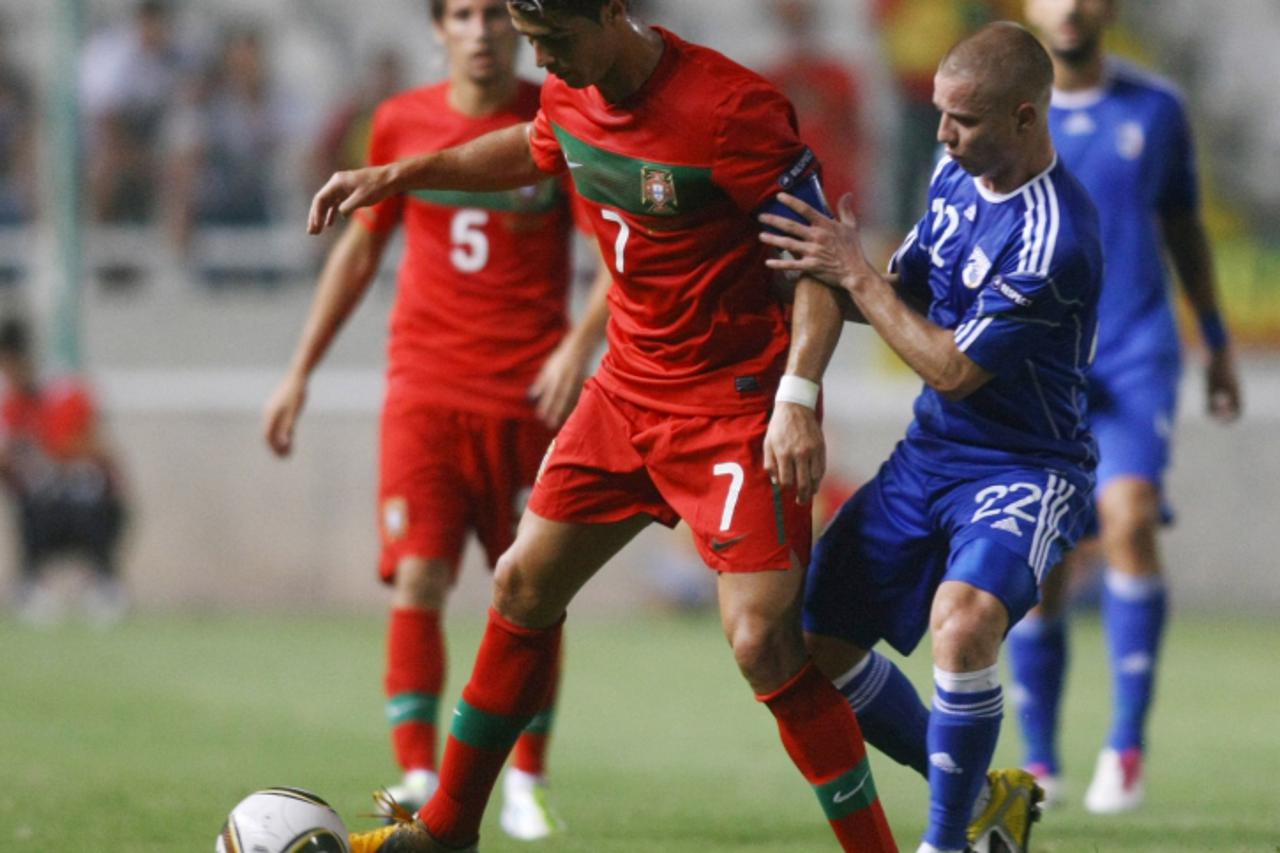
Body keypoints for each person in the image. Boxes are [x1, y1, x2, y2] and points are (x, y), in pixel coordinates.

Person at [308, 2, 902, 851]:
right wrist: (402, 174)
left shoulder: (730, 108)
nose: (540, 60)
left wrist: (798, 395)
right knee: (522, 586)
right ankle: (444, 830)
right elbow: (534, 147)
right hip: (625, 393)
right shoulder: (566, 89)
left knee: (765, 640)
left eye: (555, 39)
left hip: (730, 405)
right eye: (534, 42)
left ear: (613, 13)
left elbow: (821, 262)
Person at [263, 0, 611, 841]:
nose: (481, 29)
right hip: (424, 389)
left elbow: (612, 253)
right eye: (462, 13)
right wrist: (300, 370)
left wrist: (576, 346)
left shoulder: (555, 116)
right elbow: (360, 248)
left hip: (531, 395)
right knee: (419, 574)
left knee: (531, 589)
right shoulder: (400, 122)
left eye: (496, 13)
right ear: (437, 30)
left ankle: (527, 777)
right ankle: (419, 768)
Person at [761, 22, 1102, 853]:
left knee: (964, 619)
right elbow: (894, 291)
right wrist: (804, 288)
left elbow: (949, 367)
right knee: (814, 643)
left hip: (1025, 465)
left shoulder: (1057, 235)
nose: (942, 136)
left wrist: (853, 272)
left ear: (1026, 118)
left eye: (965, 120)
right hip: (930, 457)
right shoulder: (954, 179)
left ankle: (944, 843)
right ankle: (990, 797)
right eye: (941, 115)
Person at [1006, 0, 1243, 814]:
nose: (1069, 5)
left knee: (1131, 517)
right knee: (1044, 566)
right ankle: (1040, 758)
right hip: (1039, 365)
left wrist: (1214, 341)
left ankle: (1127, 746)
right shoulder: (1002, 112)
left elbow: (1183, 228)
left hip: (1137, 351)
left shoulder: (1158, 108)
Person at [0, 317, 128, 627]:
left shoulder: (65, 392)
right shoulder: (11, 401)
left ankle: (103, 581)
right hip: (42, 499)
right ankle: (32, 583)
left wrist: (54, 447)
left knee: (92, 503)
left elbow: (95, 450)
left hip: (84, 494)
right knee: (32, 501)